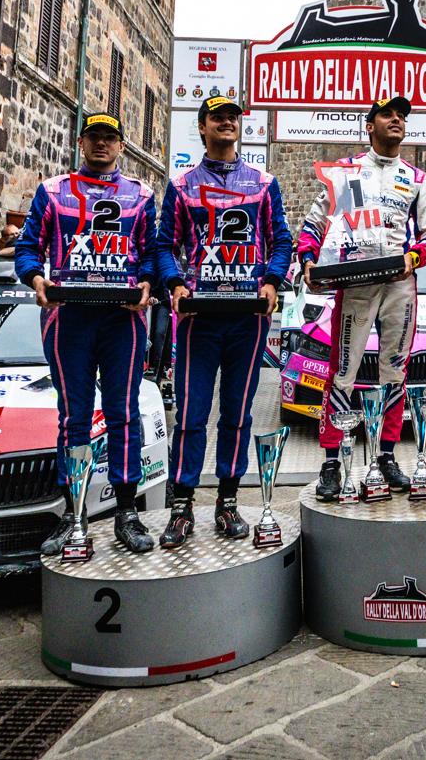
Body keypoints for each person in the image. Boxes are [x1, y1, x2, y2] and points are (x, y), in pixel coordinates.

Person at [16, 112, 159, 554]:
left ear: (121, 145)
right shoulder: (52, 190)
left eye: (109, 138)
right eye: (94, 136)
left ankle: (126, 511)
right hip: (68, 317)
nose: (102, 144)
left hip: (122, 319)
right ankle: (73, 513)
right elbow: (27, 247)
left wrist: (148, 284)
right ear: (81, 142)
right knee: (74, 417)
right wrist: (35, 279)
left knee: (123, 413)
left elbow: (152, 252)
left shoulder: (141, 193)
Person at [155, 96, 293, 547]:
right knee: (191, 414)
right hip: (199, 317)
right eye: (218, 117)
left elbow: (281, 240)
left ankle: (228, 501)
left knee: (237, 413)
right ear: (202, 127)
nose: (227, 122)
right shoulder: (182, 185)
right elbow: (164, 245)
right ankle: (181, 505)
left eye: (233, 117)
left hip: (247, 317)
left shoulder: (263, 183)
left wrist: (271, 281)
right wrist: (175, 284)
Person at [297, 96, 426, 500]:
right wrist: (308, 260)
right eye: (387, 114)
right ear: (369, 125)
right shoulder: (345, 171)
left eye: (402, 116)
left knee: (395, 372)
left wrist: (412, 258)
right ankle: (331, 462)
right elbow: (314, 223)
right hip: (355, 282)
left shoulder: (416, 177)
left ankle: (387, 456)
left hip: (398, 283)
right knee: (343, 372)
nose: (397, 120)